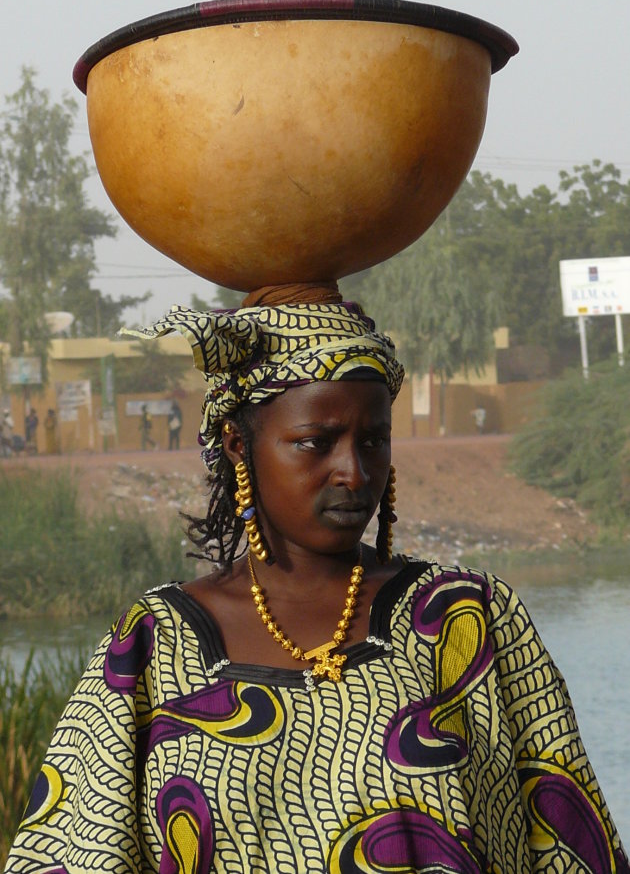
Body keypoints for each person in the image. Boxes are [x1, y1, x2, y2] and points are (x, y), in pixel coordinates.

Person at [5, 296, 629, 874]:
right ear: (238, 445)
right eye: (315, 442)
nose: (354, 472)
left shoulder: (466, 619)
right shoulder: (152, 644)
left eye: (373, 440)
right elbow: (70, 850)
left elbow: (570, 840)